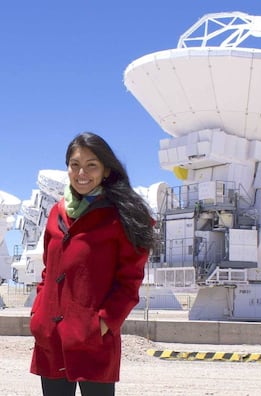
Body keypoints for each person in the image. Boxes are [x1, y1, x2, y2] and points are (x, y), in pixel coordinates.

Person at [29, 132, 155, 396]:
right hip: (51, 336)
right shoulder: (56, 213)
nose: (81, 172)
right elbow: (47, 273)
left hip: (93, 338)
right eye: (75, 165)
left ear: (106, 170)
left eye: (91, 165)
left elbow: (129, 281)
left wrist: (103, 323)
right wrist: (38, 314)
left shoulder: (123, 216)